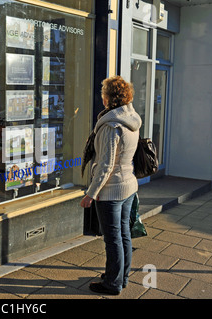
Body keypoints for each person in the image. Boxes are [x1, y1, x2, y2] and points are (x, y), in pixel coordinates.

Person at [80, 75, 142, 295]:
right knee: (123, 234)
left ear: (108, 98)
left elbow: (105, 165)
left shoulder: (111, 126)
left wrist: (91, 193)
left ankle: (112, 284)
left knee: (113, 239)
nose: (102, 96)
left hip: (112, 190)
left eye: (103, 92)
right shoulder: (132, 119)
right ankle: (121, 277)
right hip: (128, 186)